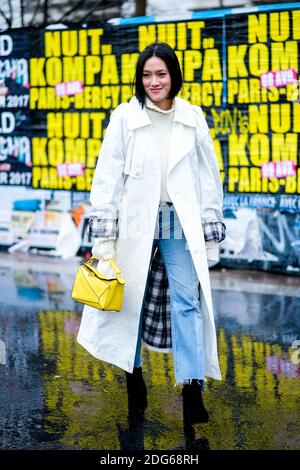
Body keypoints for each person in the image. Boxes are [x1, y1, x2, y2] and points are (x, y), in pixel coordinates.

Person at [77, 42, 226, 425]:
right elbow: (107, 177)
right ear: (139, 78)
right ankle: (134, 379)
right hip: (135, 221)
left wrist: (210, 231)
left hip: (179, 220)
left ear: (173, 75)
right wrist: (104, 236)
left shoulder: (192, 117)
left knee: (187, 301)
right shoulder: (125, 117)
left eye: (161, 74)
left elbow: (209, 177)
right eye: (147, 74)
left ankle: (192, 390)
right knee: (132, 301)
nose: (154, 81)